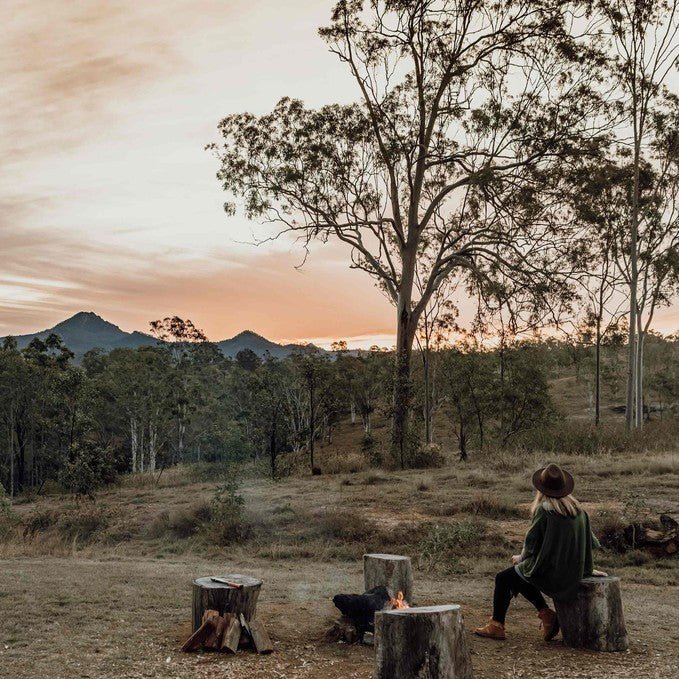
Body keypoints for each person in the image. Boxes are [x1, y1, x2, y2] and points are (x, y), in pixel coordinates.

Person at [474, 463, 606, 641]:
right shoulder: (579, 511)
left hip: (554, 573)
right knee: (520, 573)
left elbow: (531, 543)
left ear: (541, 489)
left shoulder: (545, 510)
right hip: (574, 570)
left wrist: (520, 558)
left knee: (504, 578)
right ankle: (546, 615)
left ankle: (497, 625)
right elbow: (592, 542)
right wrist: (584, 567)